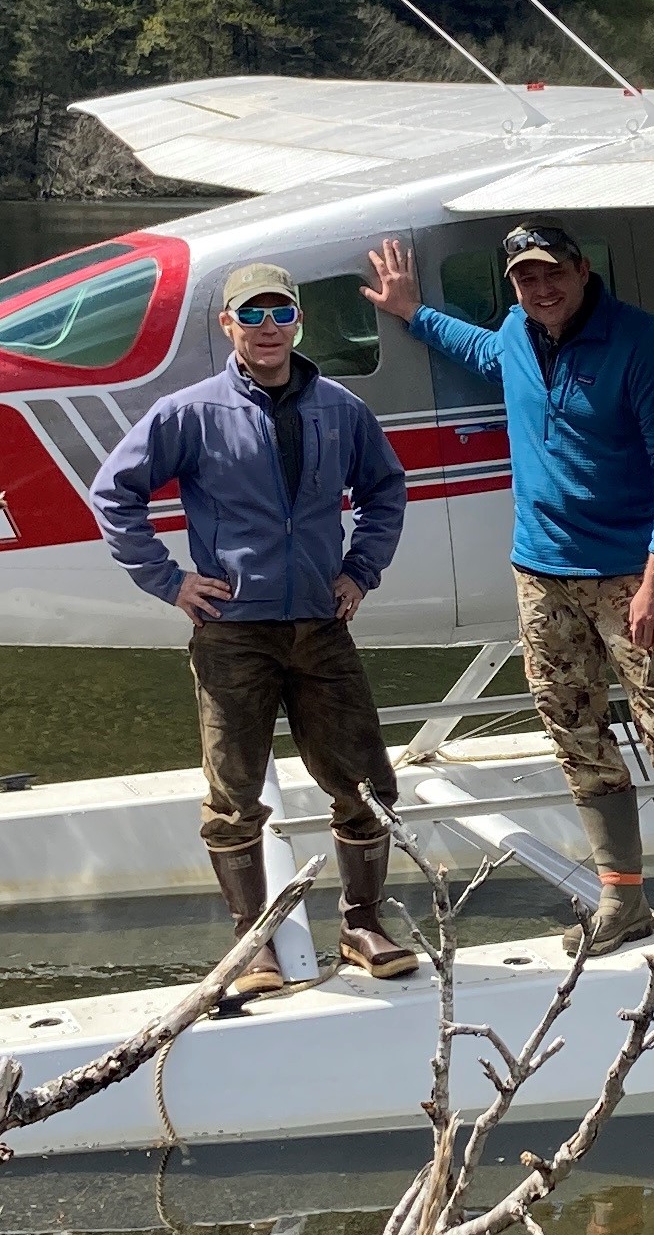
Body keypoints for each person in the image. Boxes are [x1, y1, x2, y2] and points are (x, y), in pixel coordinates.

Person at [365, 218, 654, 958]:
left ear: (584, 270)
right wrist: (410, 312)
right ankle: (621, 901)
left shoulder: (642, 343)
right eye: (526, 277)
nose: (542, 287)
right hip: (541, 577)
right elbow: (481, 350)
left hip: (630, 579)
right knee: (576, 733)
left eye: (553, 272)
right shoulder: (517, 335)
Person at [90, 260, 416, 997]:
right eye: (253, 315)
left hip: (321, 624)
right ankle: (251, 943)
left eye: (281, 314)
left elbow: (385, 490)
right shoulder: (190, 412)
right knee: (234, 795)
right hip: (233, 631)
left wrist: (360, 571)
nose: (268, 328)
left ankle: (362, 923)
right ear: (227, 324)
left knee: (367, 781)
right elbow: (115, 493)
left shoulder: (339, 408)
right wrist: (170, 581)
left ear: (298, 321)